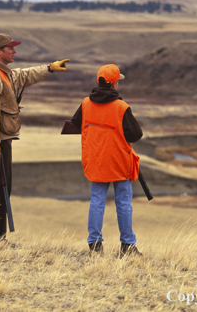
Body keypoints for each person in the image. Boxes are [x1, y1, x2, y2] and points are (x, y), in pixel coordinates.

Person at [0, 33, 70, 242]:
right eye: (10, 48)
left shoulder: (2, 73)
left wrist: (49, 68)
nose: (15, 51)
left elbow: (23, 76)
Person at [69, 64, 143, 256]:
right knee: (124, 203)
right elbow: (136, 134)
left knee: (97, 201)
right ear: (114, 84)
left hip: (96, 160)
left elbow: (76, 123)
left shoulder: (86, 103)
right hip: (119, 162)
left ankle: (94, 244)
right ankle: (127, 245)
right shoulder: (121, 107)